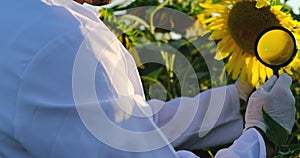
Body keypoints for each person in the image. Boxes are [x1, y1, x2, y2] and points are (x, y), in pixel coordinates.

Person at [0, 0, 295, 157]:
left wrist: (237, 100)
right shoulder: (62, 39)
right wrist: (261, 139)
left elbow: (130, 126)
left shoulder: (23, 16)